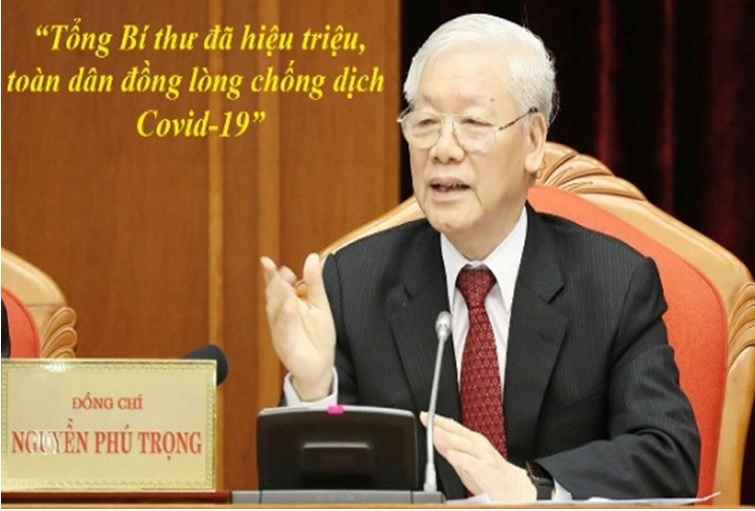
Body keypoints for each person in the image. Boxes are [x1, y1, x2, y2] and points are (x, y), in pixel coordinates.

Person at [261, 13, 699, 502]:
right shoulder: (355, 283)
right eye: (426, 123)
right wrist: (314, 390)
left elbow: (668, 456)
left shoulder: (613, 282)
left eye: (472, 124)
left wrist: (531, 487)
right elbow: (305, 494)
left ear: (533, 141)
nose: (443, 149)